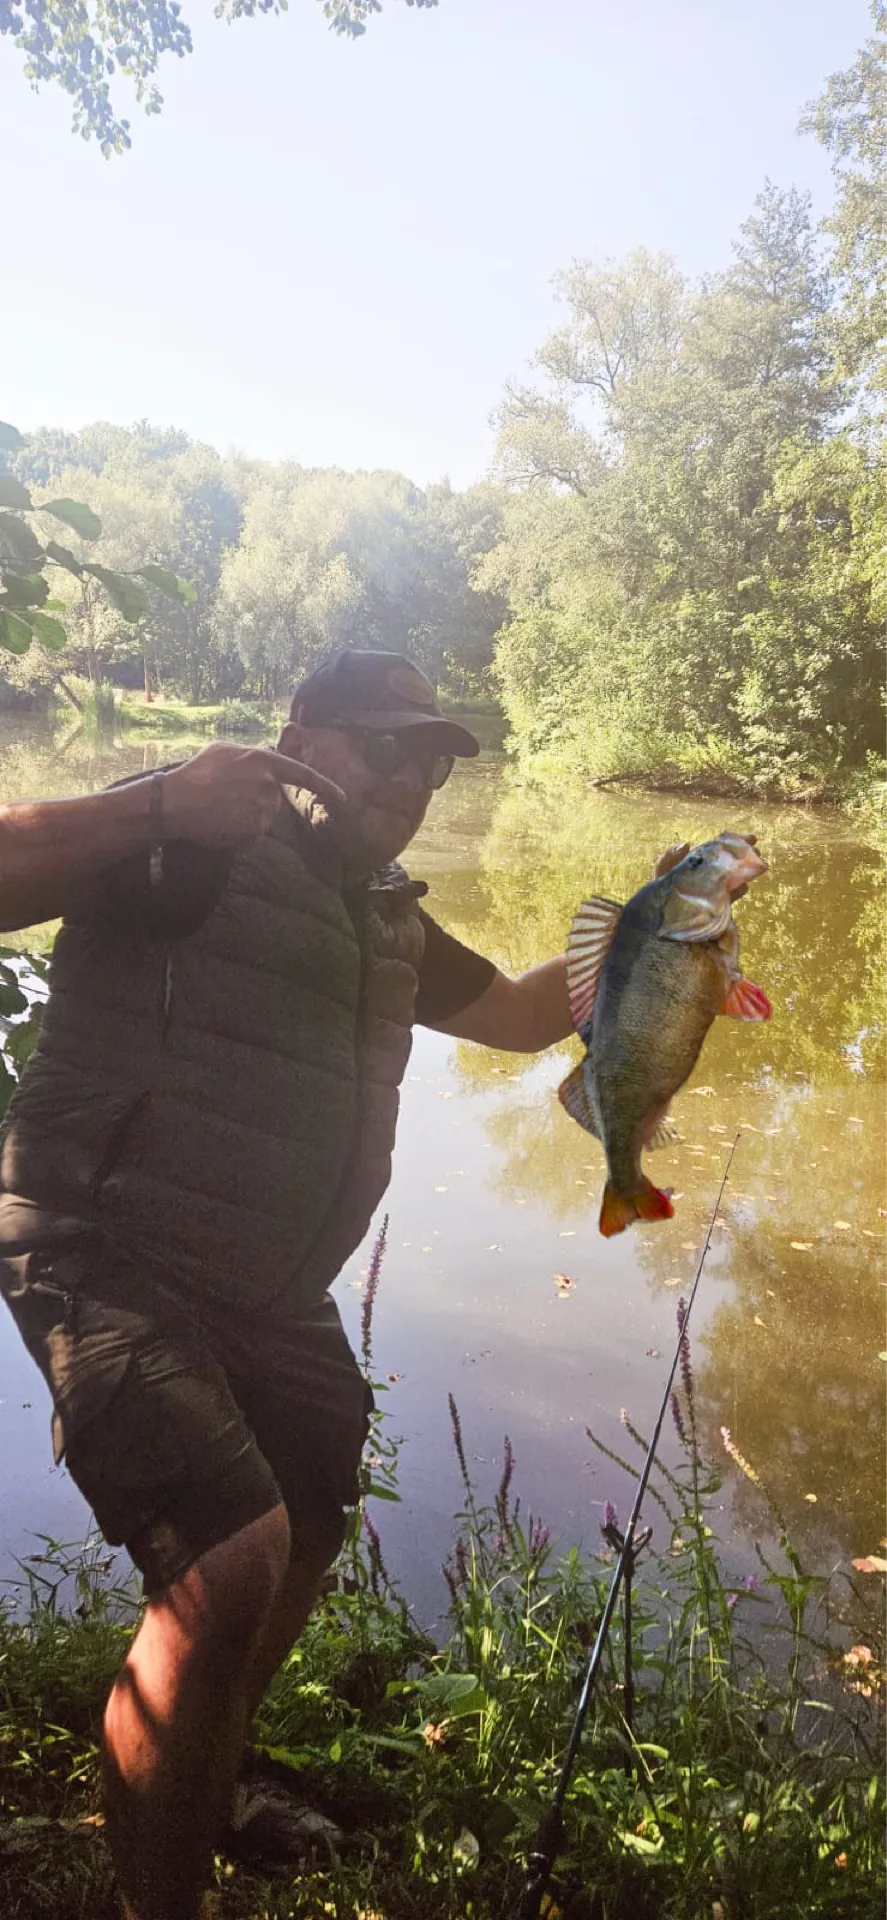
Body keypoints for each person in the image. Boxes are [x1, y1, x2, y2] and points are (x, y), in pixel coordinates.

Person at [0, 649, 579, 1920]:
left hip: (266, 1281)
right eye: (384, 745)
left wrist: (658, 937)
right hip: (102, 1237)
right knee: (229, 1565)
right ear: (301, 733)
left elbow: (521, 1018)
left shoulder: (380, 911)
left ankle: (199, 1776)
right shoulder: (191, 828)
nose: (410, 777)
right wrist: (156, 808)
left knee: (309, 1517)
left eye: (430, 759)